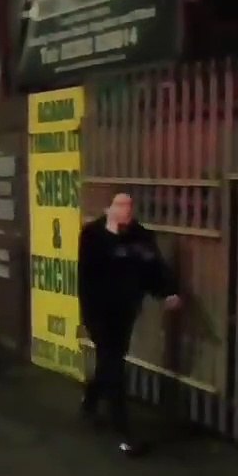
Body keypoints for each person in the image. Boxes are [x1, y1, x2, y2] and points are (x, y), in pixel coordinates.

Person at [77, 192, 181, 456]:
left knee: (110, 361)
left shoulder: (141, 237)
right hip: (98, 312)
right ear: (108, 208)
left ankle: (90, 403)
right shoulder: (92, 236)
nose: (127, 210)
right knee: (114, 365)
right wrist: (90, 312)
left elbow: (154, 268)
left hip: (125, 312)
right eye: (121, 205)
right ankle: (124, 433)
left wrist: (168, 291)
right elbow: (87, 278)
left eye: (130, 205)